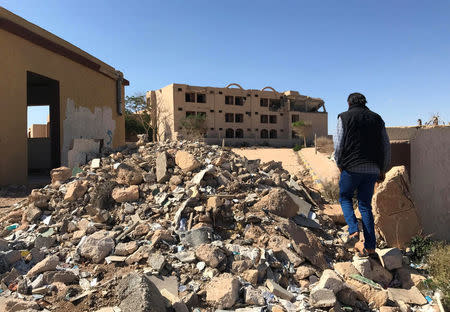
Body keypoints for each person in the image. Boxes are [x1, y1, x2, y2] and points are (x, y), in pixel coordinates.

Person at [334, 93, 390, 257]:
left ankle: (353, 231)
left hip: (351, 167)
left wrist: (339, 164)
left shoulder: (343, 117)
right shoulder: (377, 119)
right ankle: (371, 247)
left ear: (349, 103)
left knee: (345, 197)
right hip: (372, 169)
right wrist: (383, 169)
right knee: (365, 205)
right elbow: (386, 146)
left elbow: (338, 145)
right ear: (365, 103)